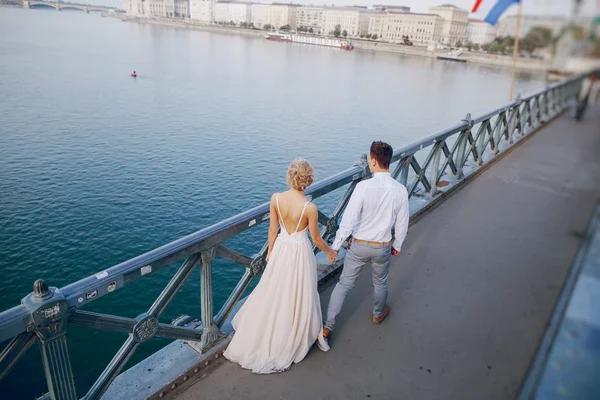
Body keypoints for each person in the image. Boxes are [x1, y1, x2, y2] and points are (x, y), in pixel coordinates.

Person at [224, 158, 334, 374]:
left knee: (275, 291)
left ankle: (265, 334)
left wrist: (271, 252)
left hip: (282, 248)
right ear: (308, 180)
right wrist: (330, 251)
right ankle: (295, 331)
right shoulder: (309, 208)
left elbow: (272, 231)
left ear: (290, 177)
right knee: (300, 292)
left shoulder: (275, 198)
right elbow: (316, 239)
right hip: (300, 251)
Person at [323, 141, 409, 340]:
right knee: (380, 282)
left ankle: (328, 327)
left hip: (359, 245)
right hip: (382, 247)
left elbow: (348, 220)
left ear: (373, 160)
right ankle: (378, 314)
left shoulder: (362, 187)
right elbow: (402, 223)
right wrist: (397, 245)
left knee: (344, 284)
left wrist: (335, 247)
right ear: (388, 161)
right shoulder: (400, 190)